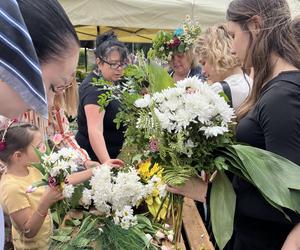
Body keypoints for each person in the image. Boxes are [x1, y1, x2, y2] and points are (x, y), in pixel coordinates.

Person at [168, 0, 300, 249]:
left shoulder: (283, 97)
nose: (231, 47)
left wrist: (206, 192)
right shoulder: (273, 90)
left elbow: (290, 203)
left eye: (232, 35)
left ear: (256, 26)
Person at [76, 31, 129, 163]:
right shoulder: (94, 89)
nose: (119, 68)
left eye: (122, 63)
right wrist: (106, 163)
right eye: (113, 64)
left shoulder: (109, 81)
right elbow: (95, 130)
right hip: (93, 162)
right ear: (99, 62)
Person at [194, 23, 252, 109]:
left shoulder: (219, 89)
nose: (203, 71)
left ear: (216, 55)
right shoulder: (250, 82)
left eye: (203, 63)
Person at [150, 16, 205, 82]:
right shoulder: (165, 76)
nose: (175, 60)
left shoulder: (200, 77)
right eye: (172, 57)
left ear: (190, 56)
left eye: (180, 55)